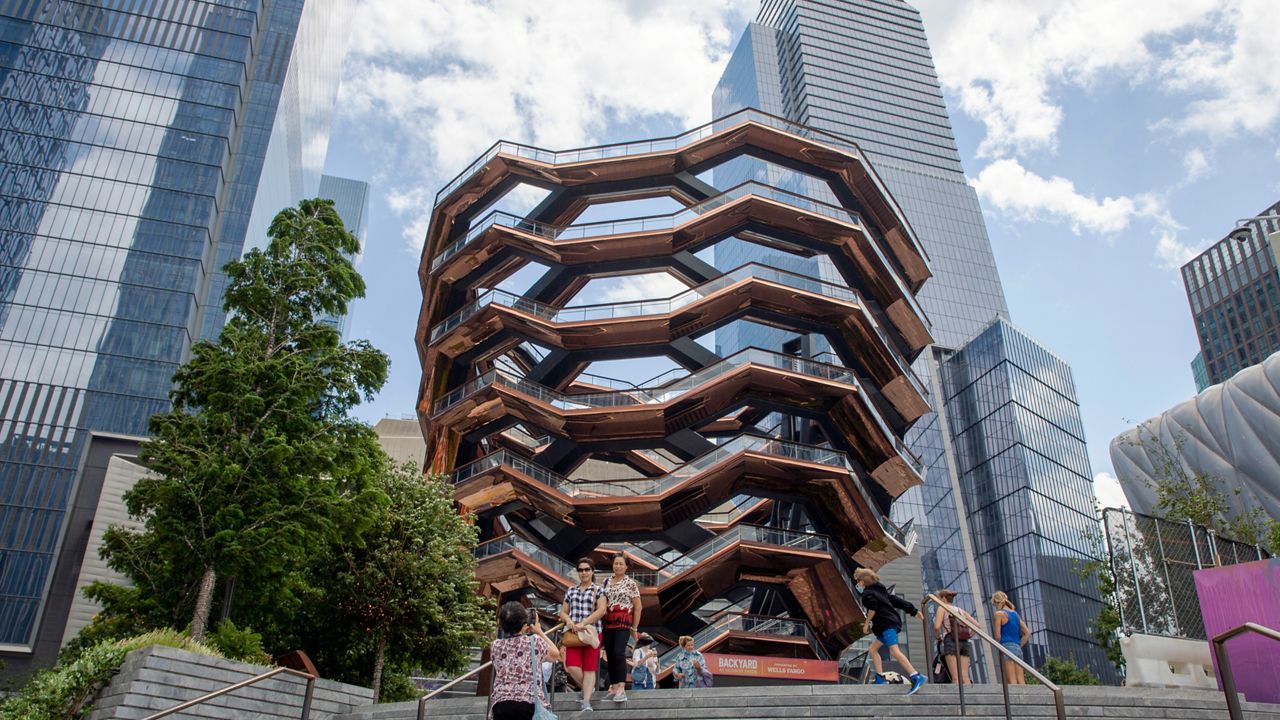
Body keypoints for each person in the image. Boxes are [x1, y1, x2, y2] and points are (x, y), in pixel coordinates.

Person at [854, 567, 926, 695]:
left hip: (887, 624)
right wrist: (914, 611)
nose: (857, 585)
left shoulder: (867, 595)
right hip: (885, 625)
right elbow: (896, 601)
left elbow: (872, 610)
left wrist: (865, 625)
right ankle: (880, 678)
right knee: (873, 649)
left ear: (862, 582)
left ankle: (916, 676)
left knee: (894, 651)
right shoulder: (880, 591)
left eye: (858, 582)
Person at [489, 601, 561, 720]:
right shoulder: (534, 641)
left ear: (501, 623)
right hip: (529, 702)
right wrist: (539, 631)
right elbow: (555, 655)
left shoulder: (496, 646)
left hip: (501, 703)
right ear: (524, 624)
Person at [559, 557, 606, 711]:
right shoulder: (571, 590)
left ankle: (586, 702)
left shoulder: (598, 590)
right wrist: (569, 621)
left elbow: (602, 610)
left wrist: (583, 623)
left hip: (592, 633)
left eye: (587, 569)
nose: (584, 572)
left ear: (592, 571)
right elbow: (563, 612)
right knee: (571, 666)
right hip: (573, 634)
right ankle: (588, 688)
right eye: (580, 569)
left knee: (589, 668)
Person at [600, 553, 642, 703]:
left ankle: (621, 687)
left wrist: (634, 628)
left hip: (623, 622)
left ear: (626, 567)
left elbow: (638, 606)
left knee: (619, 653)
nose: (618, 566)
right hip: (607, 622)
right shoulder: (605, 582)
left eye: (621, 564)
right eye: (616, 563)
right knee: (610, 655)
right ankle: (612, 686)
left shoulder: (630, 583)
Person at [932, 589, 974, 685]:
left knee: (955, 678)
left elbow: (937, 627)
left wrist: (938, 637)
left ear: (943, 598)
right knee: (965, 677)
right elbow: (977, 626)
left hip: (950, 640)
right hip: (964, 642)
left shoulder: (942, 608)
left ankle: (958, 700)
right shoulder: (961, 610)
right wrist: (969, 635)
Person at [991, 591, 1031, 685]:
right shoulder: (1015, 614)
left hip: (1006, 647)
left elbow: (997, 636)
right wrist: (1018, 645)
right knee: (1021, 681)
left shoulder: (999, 614)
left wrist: (998, 647)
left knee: (1011, 681)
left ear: (997, 603)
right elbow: (1027, 633)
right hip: (1017, 648)